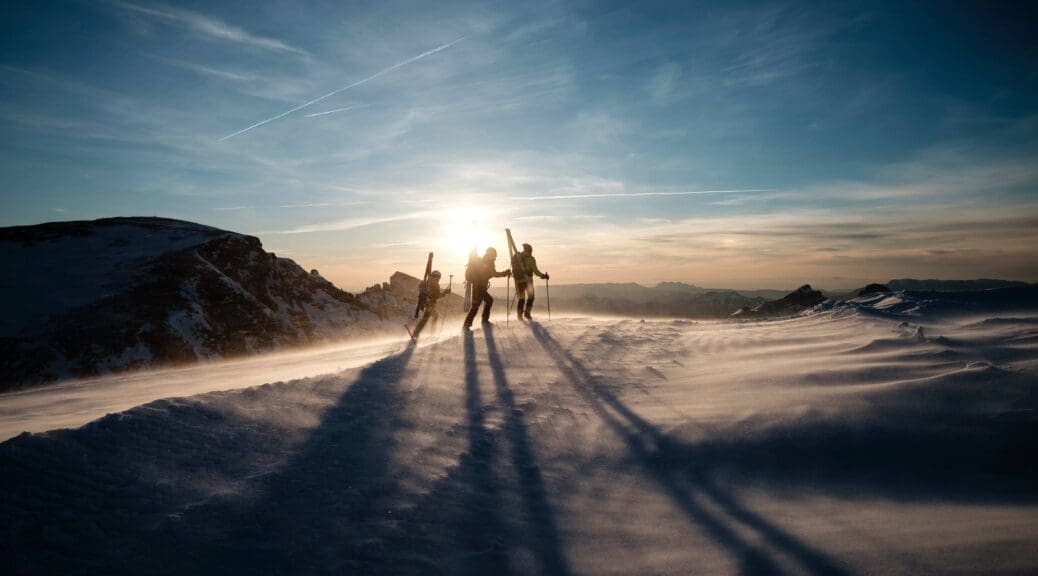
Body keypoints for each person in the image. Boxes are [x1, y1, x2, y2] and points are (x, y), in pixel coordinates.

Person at [462, 247, 510, 331]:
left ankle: (467, 325)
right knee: (487, 301)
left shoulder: (484, 261)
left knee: (476, 306)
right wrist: (505, 273)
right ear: (491, 254)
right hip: (480, 288)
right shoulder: (488, 262)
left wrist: (504, 273)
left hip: (477, 287)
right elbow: (494, 274)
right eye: (494, 255)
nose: (495, 257)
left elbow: (490, 274)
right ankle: (483, 321)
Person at [515, 243, 549, 320]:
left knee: (521, 298)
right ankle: (527, 313)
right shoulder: (531, 259)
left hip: (519, 281)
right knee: (531, 297)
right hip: (528, 281)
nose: (531, 251)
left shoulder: (518, 257)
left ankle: (519, 315)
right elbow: (535, 271)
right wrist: (543, 276)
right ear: (529, 250)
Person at [413, 270, 450, 339]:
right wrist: (445, 293)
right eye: (438, 277)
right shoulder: (435, 284)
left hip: (426, 303)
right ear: (436, 277)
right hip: (429, 304)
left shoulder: (428, 282)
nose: (439, 279)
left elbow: (422, 289)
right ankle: (419, 333)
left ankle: (417, 333)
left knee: (430, 317)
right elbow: (437, 296)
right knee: (431, 317)